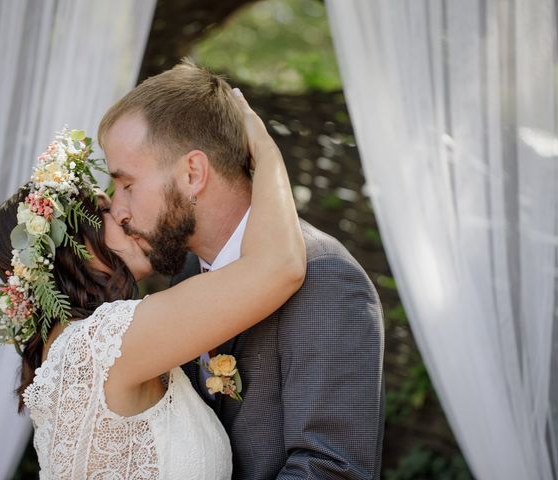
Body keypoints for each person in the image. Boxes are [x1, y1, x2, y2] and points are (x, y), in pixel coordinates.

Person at [0, 90, 305, 478]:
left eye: (124, 191)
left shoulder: (77, 346)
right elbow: (280, 266)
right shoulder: (102, 345)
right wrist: (265, 149)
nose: (122, 212)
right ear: (73, 248)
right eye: (104, 210)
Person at [99, 61, 385, 479]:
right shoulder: (187, 274)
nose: (118, 211)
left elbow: (332, 470)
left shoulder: (327, 281)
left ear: (193, 173)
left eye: (127, 184)